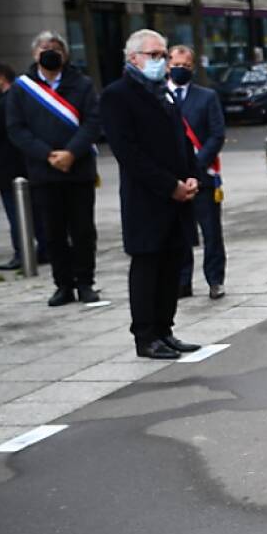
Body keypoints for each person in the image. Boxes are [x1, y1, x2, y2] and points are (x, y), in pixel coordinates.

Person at [99, 29, 205, 360]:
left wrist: (191, 176)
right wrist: (168, 185)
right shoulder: (118, 95)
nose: (162, 62)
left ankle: (165, 329)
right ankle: (146, 335)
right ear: (134, 59)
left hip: (177, 195)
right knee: (148, 267)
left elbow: (182, 141)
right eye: (155, 55)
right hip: (147, 198)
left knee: (172, 263)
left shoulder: (165, 93)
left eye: (163, 55)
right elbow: (128, 153)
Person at [6, 31, 101, 306]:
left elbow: (93, 123)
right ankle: (63, 285)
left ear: (65, 53)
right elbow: (15, 129)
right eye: (44, 48)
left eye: (55, 48)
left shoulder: (81, 84)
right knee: (53, 231)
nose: (50, 52)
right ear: (35, 54)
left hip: (79, 169)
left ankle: (85, 282)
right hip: (44, 172)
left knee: (83, 230)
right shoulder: (22, 89)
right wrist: (47, 155)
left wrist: (71, 152)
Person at [168, 45, 228, 300]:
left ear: (193, 67)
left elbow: (217, 134)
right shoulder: (159, 96)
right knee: (179, 233)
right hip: (172, 179)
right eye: (176, 64)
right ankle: (182, 282)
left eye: (186, 65)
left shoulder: (207, 96)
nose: (180, 69)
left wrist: (196, 165)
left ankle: (215, 280)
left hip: (202, 176)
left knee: (211, 232)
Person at [0, 64, 42, 271]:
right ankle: (43, 248)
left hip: (8, 167)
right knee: (34, 210)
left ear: (1, 78)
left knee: (16, 213)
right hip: (27, 165)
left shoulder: (1, 105)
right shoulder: (24, 99)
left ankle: (22, 253)